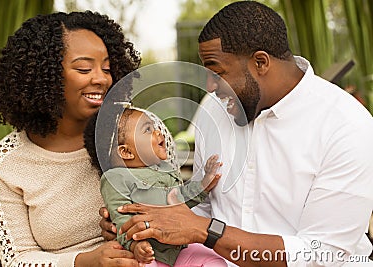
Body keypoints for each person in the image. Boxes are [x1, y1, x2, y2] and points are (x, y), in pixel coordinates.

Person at [100, 1, 373, 266]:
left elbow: (321, 255)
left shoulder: (347, 126)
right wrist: (141, 222)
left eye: (216, 72)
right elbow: (201, 209)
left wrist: (207, 231)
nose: (209, 87)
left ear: (261, 63)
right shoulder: (214, 109)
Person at [0, 11, 143, 267]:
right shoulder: (6, 163)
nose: (101, 78)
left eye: (107, 68)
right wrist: (85, 261)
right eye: (83, 68)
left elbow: (175, 203)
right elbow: (17, 259)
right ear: (42, 75)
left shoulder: (139, 130)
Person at [84, 105, 227, 267]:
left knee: (212, 260)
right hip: (145, 254)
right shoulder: (115, 178)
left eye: (154, 127)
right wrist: (135, 245)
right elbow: (121, 219)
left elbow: (180, 199)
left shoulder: (166, 168)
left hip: (178, 250)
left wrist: (204, 184)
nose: (158, 132)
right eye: (147, 130)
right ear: (126, 152)